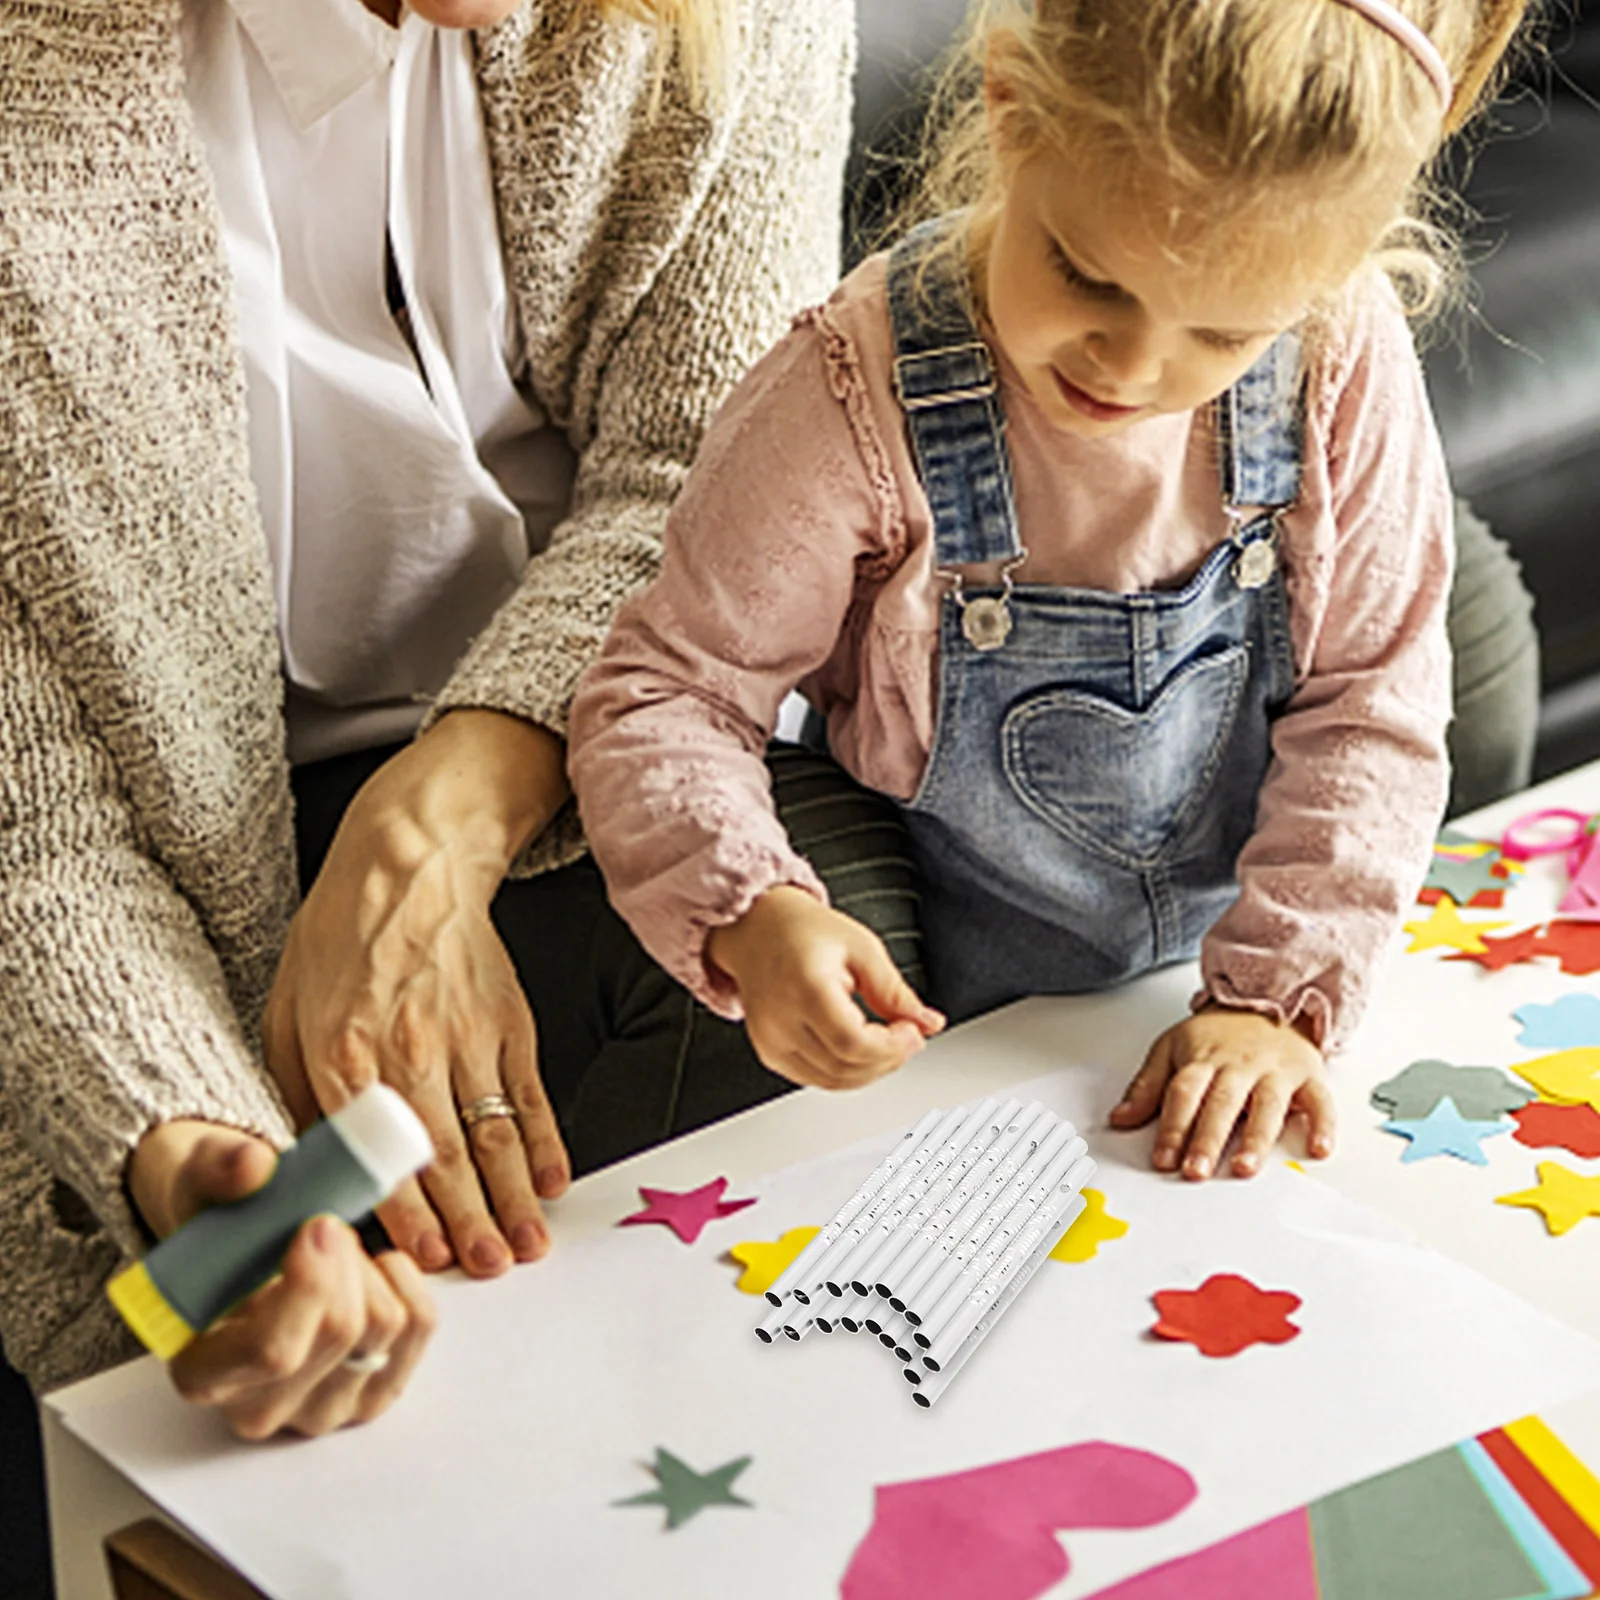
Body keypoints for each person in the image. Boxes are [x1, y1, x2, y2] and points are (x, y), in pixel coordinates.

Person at [0, 0, 859, 1449]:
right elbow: (37, 819)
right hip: (156, 881)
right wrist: (190, 1157)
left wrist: (439, 822)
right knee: (264, 1372)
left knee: (810, 1099)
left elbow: (705, 486)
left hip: (590, 757)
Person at [569, 0, 1533, 1189]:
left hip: (1235, 958)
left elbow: (1372, 698)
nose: (1128, 368)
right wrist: (753, 913)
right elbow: (663, 694)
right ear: (1010, 106)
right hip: (956, 982)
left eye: (1224, 334)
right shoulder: (849, 393)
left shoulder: (1338, 349)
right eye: (1087, 275)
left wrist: (1275, 1000)